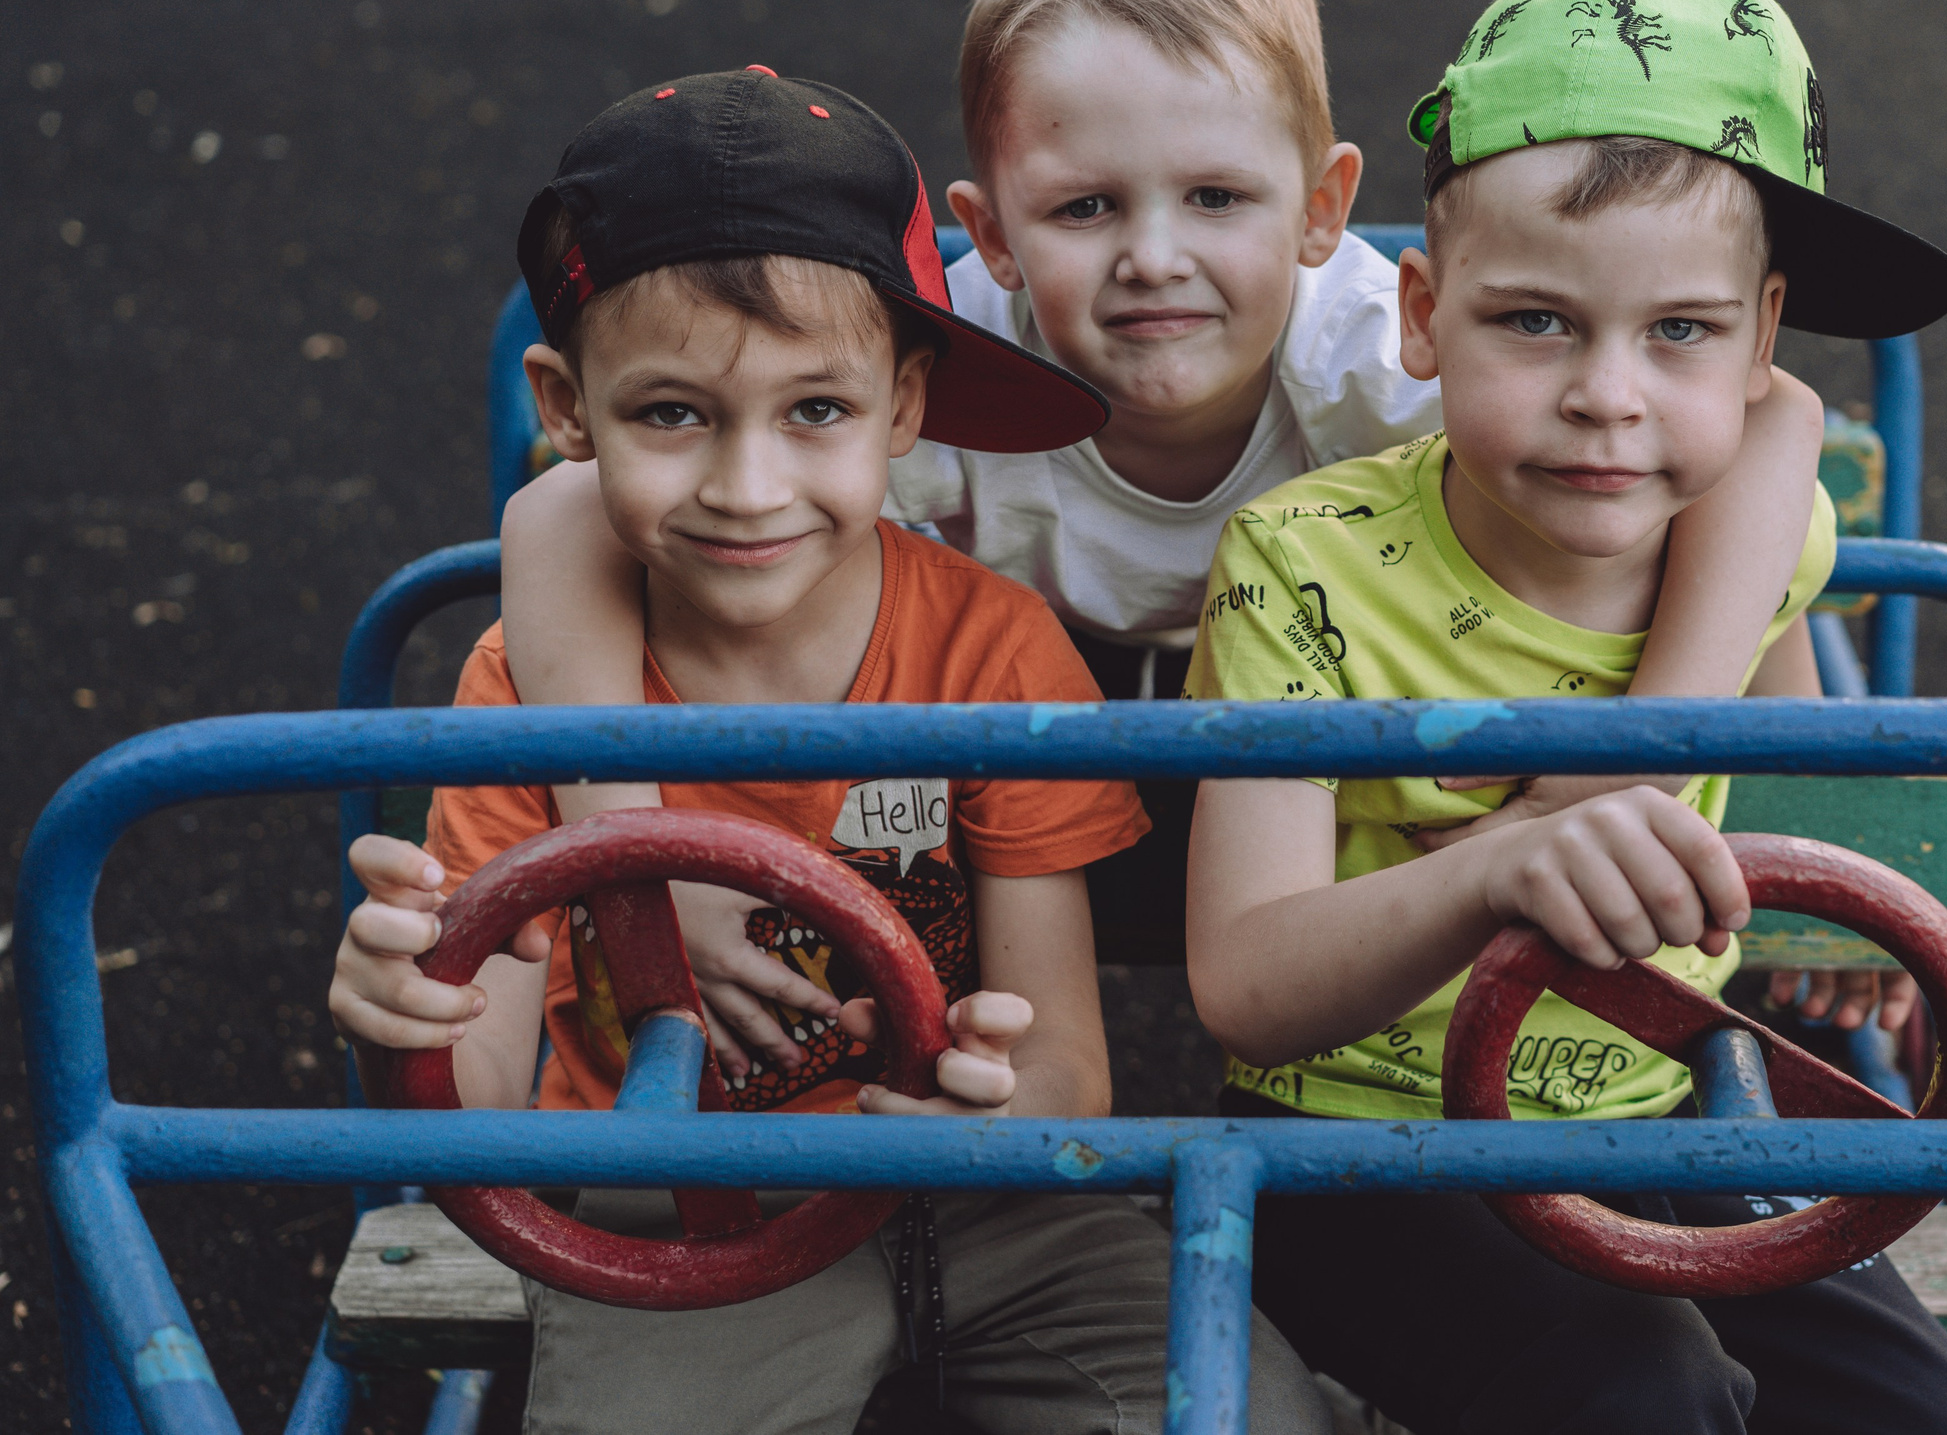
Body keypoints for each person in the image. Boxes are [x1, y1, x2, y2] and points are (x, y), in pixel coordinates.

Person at [492, 0, 1845, 1032]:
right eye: (1086, 208)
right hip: (1053, 778)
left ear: (1321, 209)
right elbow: (562, 516)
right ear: (992, 238)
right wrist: (637, 862)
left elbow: (1771, 425)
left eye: (1216, 197)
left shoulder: (1382, 361)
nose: (1154, 257)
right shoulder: (926, 390)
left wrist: (1630, 762)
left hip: (1312, 790)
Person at [326, 69, 1330, 1435]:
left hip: (993, 1209)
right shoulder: (522, 691)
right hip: (674, 1205)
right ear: (568, 411)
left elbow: (1066, 1072)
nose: (748, 487)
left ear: (904, 410)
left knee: (1248, 1416)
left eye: (817, 411)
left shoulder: (990, 651)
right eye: (672, 413)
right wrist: (412, 1026)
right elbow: (484, 1107)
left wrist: (1000, 1108)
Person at [1182, 0, 1947, 1435]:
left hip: (1655, 1116)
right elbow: (1247, 989)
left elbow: (1794, 769)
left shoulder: (1745, 544)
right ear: (1424, 316)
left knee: (1928, 1417)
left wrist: (1829, 912)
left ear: (1762, 341)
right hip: (1360, 1147)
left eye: (1678, 332)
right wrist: (1506, 860)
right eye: (1538, 324)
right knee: (1642, 1392)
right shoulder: (1302, 567)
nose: (1608, 393)